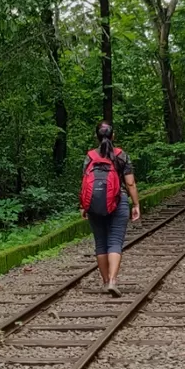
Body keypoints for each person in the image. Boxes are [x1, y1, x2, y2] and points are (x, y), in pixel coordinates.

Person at [81, 120, 140, 294]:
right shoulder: (121, 155)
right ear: (113, 136)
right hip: (118, 201)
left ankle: (105, 281)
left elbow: (84, 182)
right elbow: (130, 184)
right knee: (115, 241)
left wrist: (83, 205)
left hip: (93, 203)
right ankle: (113, 281)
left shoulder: (90, 156)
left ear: (96, 137)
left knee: (100, 243)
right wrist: (136, 204)